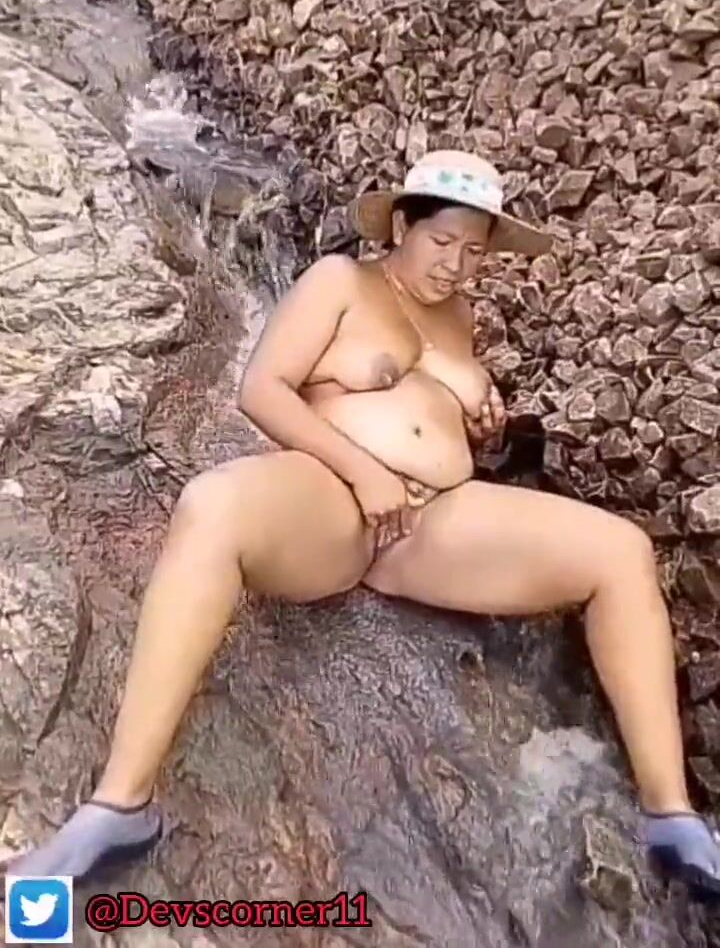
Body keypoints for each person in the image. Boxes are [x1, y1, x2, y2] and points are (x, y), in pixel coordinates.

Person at [6, 150, 720, 895]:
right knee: (211, 505)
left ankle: (671, 817)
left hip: (436, 519)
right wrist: (363, 471)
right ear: (403, 226)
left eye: (474, 253)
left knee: (622, 550)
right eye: (442, 242)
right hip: (336, 501)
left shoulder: (460, 316)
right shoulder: (340, 281)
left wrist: (478, 429)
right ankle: (120, 804)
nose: (456, 265)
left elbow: (427, 418)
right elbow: (263, 389)